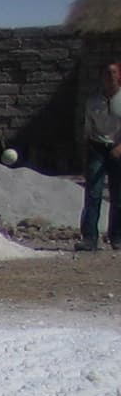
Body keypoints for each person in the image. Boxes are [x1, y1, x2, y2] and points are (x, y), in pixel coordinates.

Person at [80, 59, 121, 253]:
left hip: (118, 148)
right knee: (93, 194)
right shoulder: (93, 101)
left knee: (118, 195)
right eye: (106, 73)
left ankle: (117, 237)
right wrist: (87, 149)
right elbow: (88, 128)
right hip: (97, 147)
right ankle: (89, 238)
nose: (109, 76)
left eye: (113, 72)